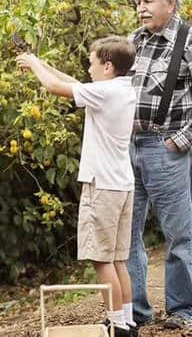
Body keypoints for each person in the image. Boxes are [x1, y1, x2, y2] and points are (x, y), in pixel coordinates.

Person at [17, 36, 138, 337]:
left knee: (101, 261)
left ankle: (117, 327)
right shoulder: (121, 89)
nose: (89, 68)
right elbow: (72, 82)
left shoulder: (106, 92)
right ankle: (127, 322)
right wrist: (41, 62)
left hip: (103, 187)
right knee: (118, 259)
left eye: (92, 62)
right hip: (121, 185)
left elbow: (56, 88)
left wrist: (32, 65)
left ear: (107, 66)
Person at [126, 0, 192, 330]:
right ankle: (134, 312)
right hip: (128, 147)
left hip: (167, 148)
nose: (141, 8)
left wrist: (178, 142)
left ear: (170, 2)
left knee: (178, 234)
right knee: (127, 233)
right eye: (138, 2)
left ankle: (185, 309)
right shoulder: (134, 41)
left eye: (148, 1)